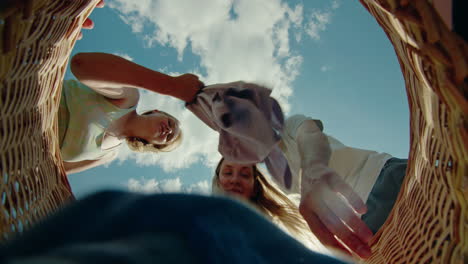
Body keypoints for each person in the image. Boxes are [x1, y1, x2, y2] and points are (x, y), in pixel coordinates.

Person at [212, 114, 407, 259]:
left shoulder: (289, 127)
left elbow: (310, 135)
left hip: (384, 175)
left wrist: (312, 167)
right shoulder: (281, 180)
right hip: (366, 229)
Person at [59, 52, 203, 174]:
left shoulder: (108, 155)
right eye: (170, 123)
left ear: (154, 144)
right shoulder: (128, 98)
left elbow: (59, 171)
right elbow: (81, 64)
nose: (168, 130)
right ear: (156, 111)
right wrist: (171, 85)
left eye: (169, 137)